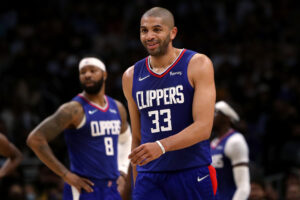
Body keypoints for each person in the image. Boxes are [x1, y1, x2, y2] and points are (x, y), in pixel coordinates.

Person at [122, 7, 217, 200]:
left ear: (173, 32)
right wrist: (135, 184)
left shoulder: (197, 64)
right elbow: (137, 137)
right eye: (144, 30)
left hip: (190, 171)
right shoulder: (131, 76)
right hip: (149, 177)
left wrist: (161, 146)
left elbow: (204, 127)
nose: (149, 36)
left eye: (157, 29)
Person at [27, 57, 131, 200]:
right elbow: (35, 139)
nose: (87, 75)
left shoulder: (117, 108)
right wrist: (65, 175)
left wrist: (123, 170)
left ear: (105, 75)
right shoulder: (73, 109)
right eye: (83, 72)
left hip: (111, 188)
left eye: (93, 71)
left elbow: (126, 140)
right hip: (84, 188)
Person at [210, 101, 250, 200]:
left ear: (227, 117)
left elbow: (243, 187)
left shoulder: (235, 141)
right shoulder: (213, 143)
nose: (211, 115)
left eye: (216, 112)